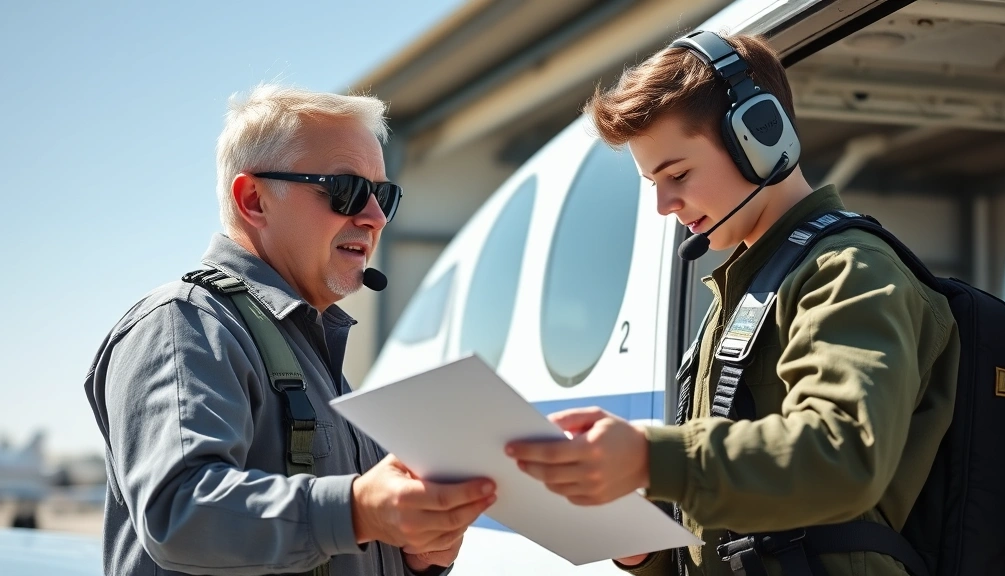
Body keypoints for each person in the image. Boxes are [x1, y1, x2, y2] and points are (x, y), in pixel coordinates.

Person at [505, 31, 960, 576]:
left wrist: (650, 457)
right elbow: (737, 533)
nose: (663, 205)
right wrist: (641, 546)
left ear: (759, 139)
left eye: (677, 175)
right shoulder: (746, 294)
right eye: (652, 182)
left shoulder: (846, 272)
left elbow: (845, 456)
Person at [84, 84, 496, 576]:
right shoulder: (185, 323)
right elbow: (178, 514)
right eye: (346, 191)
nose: (375, 217)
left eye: (384, 195)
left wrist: (421, 556)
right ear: (254, 199)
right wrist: (358, 510)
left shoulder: (316, 363)